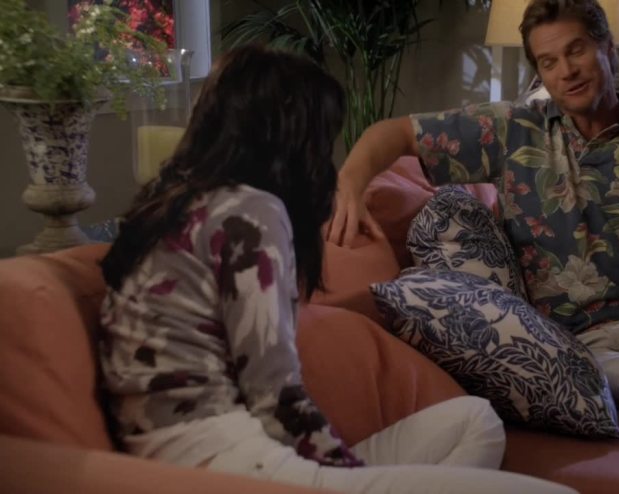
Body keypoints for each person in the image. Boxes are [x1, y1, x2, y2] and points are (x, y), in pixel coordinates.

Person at [326, 1, 619, 493]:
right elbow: (392, 134)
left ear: (607, 49)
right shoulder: (512, 130)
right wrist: (349, 182)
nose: (566, 71)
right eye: (549, 61)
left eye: (576, 50)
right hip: (570, 344)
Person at [98, 45, 574, 494]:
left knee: (475, 420)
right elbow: (275, 398)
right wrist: (346, 476)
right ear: (287, 136)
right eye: (322, 135)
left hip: (225, 449)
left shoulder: (174, 204)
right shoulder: (249, 212)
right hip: (226, 460)